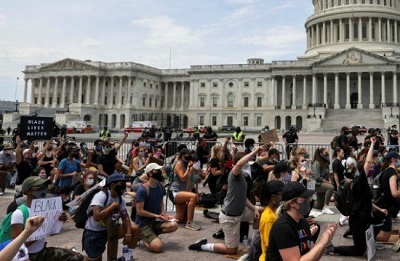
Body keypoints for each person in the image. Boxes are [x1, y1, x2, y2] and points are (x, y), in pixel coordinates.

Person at [188, 148, 262, 255]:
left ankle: (254, 245)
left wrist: (254, 209)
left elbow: (243, 198)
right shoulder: (233, 174)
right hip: (230, 218)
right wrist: (255, 151)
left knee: (261, 211)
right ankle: (203, 245)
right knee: (231, 250)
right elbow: (240, 163)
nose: (249, 162)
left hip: (241, 213)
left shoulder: (243, 176)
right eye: (248, 160)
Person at [326, 136, 388, 256]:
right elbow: (368, 162)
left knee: (380, 218)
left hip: (362, 217)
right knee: (359, 250)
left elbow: (367, 202)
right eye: (371, 168)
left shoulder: (359, 182)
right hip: (358, 219)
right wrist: (372, 144)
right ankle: (332, 249)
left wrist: (380, 209)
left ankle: (355, 235)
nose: (372, 168)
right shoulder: (360, 181)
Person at [11, 176, 84, 260]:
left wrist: (59, 220)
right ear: (28, 191)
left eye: (45, 187)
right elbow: (15, 245)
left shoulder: (45, 210)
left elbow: (51, 228)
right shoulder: (19, 214)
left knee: (77, 257)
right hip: (27, 256)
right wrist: (39, 234)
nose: (44, 190)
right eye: (40, 188)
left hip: (42, 251)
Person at [266, 181, 337, 260]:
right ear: (292, 203)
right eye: (305, 198)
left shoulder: (303, 222)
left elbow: (313, 257)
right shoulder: (282, 227)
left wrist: (326, 241)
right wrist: (321, 243)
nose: (309, 200)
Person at [82, 173, 140, 261]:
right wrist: (112, 206)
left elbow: (125, 217)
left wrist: (128, 233)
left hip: (110, 230)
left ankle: (128, 256)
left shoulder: (120, 199)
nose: (123, 186)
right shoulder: (101, 196)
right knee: (94, 259)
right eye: (121, 183)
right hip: (94, 233)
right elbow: (96, 217)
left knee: (134, 229)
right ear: (113, 185)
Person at [135, 163, 178, 253]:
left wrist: (163, 213)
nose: (160, 172)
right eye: (157, 171)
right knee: (157, 247)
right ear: (150, 173)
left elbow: (161, 201)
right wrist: (156, 216)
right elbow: (140, 211)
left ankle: (152, 235)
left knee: (174, 225)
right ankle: (140, 235)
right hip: (143, 223)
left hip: (154, 221)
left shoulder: (160, 186)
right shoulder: (142, 189)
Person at [169, 148, 200, 230]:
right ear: (183, 156)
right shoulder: (179, 164)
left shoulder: (187, 164)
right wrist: (188, 169)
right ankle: (190, 223)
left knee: (180, 219)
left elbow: (188, 181)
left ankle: (162, 217)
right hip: (174, 191)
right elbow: (182, 178)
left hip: (181, 191)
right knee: (193, 197)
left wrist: (192, 190)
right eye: (188, 155)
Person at [374, 150, 400, 242]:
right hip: (385, 207)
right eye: (397, 159)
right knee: (385, 238)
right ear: (393, 159)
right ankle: (361, 233)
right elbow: (394, 193)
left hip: (385, 205)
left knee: (385, 233)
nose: (398, 161)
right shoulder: (392, 173)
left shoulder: (387, 170)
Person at [256, 180, 285, 261]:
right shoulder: (268, 218)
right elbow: (270, 245)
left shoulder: (274, 212)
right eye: (282, 194)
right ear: (273, 197)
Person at [312, 147, 335, 214]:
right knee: (330, 187)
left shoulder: (325, 163)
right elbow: (317, 177)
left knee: (319, 205)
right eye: (325, 153)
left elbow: (328, 174)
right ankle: (326, 207)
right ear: (321, 154)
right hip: (317, 184)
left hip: (322, 183)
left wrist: (329, 180)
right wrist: (328, 182)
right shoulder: (317, 163)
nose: (327, 154)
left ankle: (310, 204)